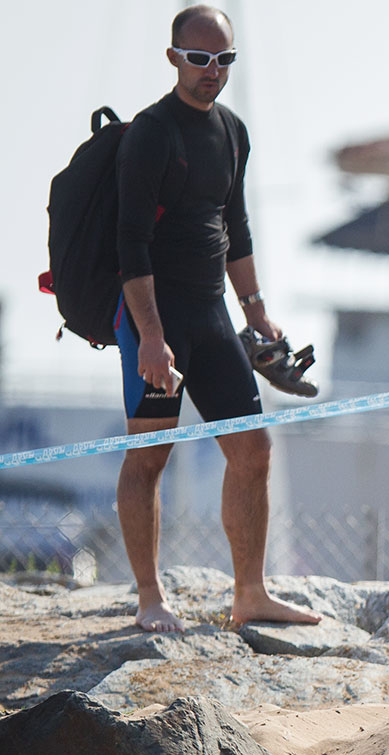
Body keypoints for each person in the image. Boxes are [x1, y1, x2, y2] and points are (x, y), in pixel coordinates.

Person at [115, 5, 317, 633]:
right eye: (200, 58)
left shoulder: (232, 130)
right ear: (173, 56)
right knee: (150, 455)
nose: (212, 71)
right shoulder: (150, 133)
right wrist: (151, 337)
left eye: (224, 59)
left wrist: (257, 314)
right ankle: (149, 597)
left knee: (253, 451)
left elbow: (237, 227)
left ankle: (250, 594)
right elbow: (130, 244)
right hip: (154, 315)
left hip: (211, 313)